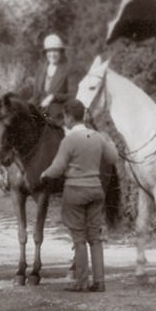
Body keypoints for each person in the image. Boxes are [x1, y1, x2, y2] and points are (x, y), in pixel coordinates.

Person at [41, 101, 119, 292]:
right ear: (83, 116)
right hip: (96, 190)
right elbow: (113, 158)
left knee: (79, 238)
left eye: (64, 117)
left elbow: (58, 168)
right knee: (95, 237)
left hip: (75, 191)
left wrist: (45, 174)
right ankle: (99, 281)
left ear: (68, 117)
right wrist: (109, 142)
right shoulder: (98, 137)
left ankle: (81, 281)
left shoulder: (68, 141)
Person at [30, 33, 77, 122]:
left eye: (55, 51)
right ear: (46, 53)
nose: (52, 54)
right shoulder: (40, 70)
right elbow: (36, 96)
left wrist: (54, 97)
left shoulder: (69, 69)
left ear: (61, 52)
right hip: (41, 114)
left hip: (60, 117)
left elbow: (73, 95)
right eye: (49, 51)